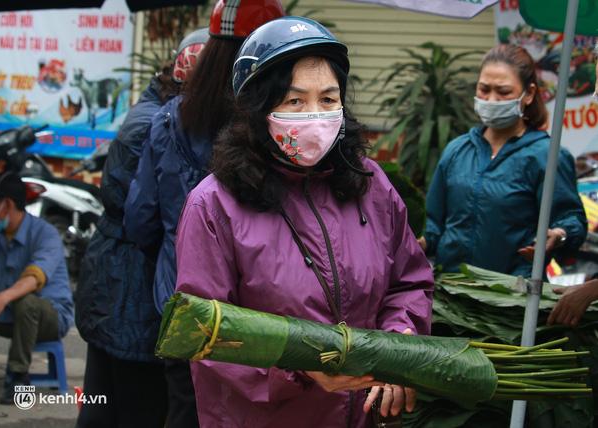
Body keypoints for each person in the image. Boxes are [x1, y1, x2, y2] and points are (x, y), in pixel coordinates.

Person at [173, 16, 434, 427]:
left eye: (328, 100)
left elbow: (410, 282)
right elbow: (205, 334)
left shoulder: (371, 185)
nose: (315, 116)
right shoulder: (212, 206)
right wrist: (300, 369)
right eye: (295, 101)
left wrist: (400, 342)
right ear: (258, 106)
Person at [124, 1, 285, 425]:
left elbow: (139, 218)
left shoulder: (170, 119)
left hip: (183, 302)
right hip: (259, 310)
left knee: (184, 408)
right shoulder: (276, 126)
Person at [74, 29, 208, 428]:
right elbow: (145, 218)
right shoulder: (159, 124)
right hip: (129, 286)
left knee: (104, 401)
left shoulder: (155, 114)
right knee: (132, 406)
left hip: (117, 282)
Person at [421, 44, 587, 277]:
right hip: (451, 292)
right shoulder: (457, 150)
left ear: (528, 94)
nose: (491, 99)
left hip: (511, 299)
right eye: (484, 89)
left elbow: (572, 219)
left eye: (503, 91)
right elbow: (434, 226)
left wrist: (559, 234)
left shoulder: (547, 156)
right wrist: (418, 244)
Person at [0, 172, 73, 405]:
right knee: (16, 303)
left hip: (50, 318)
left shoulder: (45, 233)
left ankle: (18, 377)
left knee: (26, 301)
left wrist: (2, 298)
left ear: (6, 204)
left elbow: (35, 278)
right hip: (11, 312)